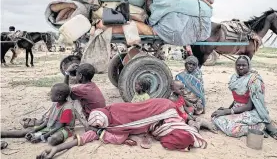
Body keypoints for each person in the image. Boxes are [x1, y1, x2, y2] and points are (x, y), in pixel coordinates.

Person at [37, 99, 207, 159]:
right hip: (159, 118)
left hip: (161, 108)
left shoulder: (115, 113)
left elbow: (139, 109)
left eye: (98, 126)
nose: (96, 129)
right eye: (98, 127)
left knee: (178, 128)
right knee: (179, 134)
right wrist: (55, 149)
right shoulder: (111, 126)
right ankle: (192, 124)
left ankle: (193, 123)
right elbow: (84, 138)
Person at [211, 55, 277, 139]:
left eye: (244, 65)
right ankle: (254, 126)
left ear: (249, 66)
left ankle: (259, 127)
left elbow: (249, 106)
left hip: (250, 111)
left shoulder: (254, 80)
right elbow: (237, 99)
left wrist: (228, 111)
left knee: (232, 129)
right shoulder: (235, 78)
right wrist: (227, 109)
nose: (241, 67)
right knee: (215, 117)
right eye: (238, 65)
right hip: (236, 109)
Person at [1, 83, 75, 146]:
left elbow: (60, 126)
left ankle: (42, 137)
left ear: (59, 96)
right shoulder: (55, 104)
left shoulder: (67, 108)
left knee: (53, 140)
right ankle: (3, 134)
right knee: (27, 131)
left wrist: (42, 137)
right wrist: (35, 130)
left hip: (63, 129)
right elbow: (47, 122)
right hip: (52, 126)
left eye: (51, 94)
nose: (50, 95)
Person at [64, 63, 106, 128]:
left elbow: (64, 90)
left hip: (93, 120)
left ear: (80, 76)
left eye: (77, 75)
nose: (76, 77)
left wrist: (67, 73)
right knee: (74, 96)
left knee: (66, 97)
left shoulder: (81, 89)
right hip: (101, 116)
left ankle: (67, 123)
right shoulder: (92, 85)